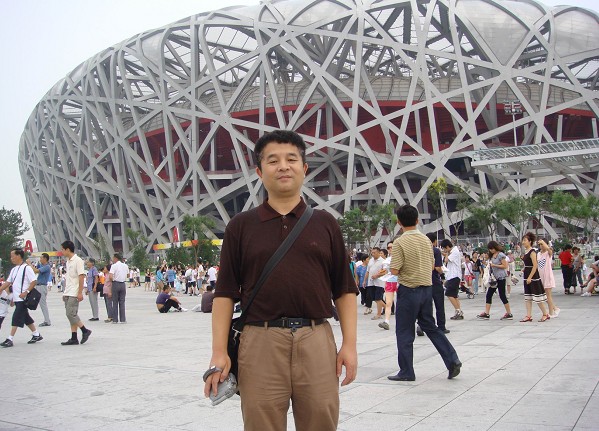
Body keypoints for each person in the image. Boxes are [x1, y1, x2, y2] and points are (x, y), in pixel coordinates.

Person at [203, 129, 358, 431]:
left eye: (291, 159)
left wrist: (349, 345)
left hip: (315, 337)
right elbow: (225, 294)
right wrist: (219, 351)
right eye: (273, 161)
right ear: (260, 172)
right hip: (260, 341)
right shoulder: (241, 226)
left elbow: (344, 289)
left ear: (305, 168)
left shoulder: (325, 223)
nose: (283, 166)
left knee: (321, 422)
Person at [387, 205, 461, 382]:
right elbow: (432, 265)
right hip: (427, 289)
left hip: (408, 290)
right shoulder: (426, 241)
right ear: (417, 220)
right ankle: (452, 360)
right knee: (431, 327)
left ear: (399, 222)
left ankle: (407, 371)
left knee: (404, 332)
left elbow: (395, 270)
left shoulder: (399, 242)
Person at [0, 248, 43, 347]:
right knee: (26, 317)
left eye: (13, 256)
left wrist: (26, 292)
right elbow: (8, 282)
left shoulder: (27, 268)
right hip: (17, 298)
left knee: (16, 317)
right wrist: (1, 289)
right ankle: (36, 334)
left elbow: (33, 281)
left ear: (19, 256)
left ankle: (10, 338)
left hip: (23, 299)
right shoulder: (14, 269)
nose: (11, 258)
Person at [416, 234, 450, 336]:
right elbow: (438, 267)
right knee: (439, 304)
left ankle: (422, 325)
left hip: (422, 280)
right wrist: (442, 274)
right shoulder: (435, 251)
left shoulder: (419, 250)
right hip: (434, 280)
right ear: (434, 241)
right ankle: (441, 326)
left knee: (425, 305)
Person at [60, 241, 92, 345]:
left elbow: (81, 276)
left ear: (68, 249)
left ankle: (85, 330)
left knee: (70, 314)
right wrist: (65, 292)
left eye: (62, 249)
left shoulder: (78, 260)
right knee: (72, 315)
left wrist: (80, 292)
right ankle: (74, 337)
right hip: (68, 291)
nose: (62, 251)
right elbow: (69, 278)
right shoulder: (68, 261)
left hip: (74, 291)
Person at [476, 241, 513, 320]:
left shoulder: (500, 255)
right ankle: (486, 313)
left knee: (502, 295)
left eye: (492, 249)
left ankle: (509, 313)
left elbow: (505, 265)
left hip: (501, 277)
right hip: (494, 278)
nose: (491, 250)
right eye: (490, 249)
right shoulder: (492, 255)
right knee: (489, 294)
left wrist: (494, 265)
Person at [520, 232, 549, 322]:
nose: (523, 242)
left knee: (537, 297)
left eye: (525, 240)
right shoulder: (526, 252)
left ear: (530, 241)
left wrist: (530, 277)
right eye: (523, 240)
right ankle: (528, 315)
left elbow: (535, 265)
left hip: (533, 276)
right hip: (527, 275)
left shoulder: (532, 252)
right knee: (528, 297)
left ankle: (545, 314)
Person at [440, 239, 464, 320]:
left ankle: (458, 311)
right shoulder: (452, 251)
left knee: (449, 294)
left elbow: (446, 260)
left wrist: (446, 253)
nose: (444, 250)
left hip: (454, 276)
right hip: (452, 276)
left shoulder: (455, 251)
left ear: (447, 247)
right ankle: (458, 311)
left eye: (444, 248)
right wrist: (442, 253)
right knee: (454, 295)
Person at [27, 253, 52, 326]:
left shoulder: (47, 267)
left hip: (42, 286)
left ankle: (47, 321)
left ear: (45, 259)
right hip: (37, 286)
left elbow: (35, 271)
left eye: (41, 258)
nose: (40, 259)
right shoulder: (41, 265)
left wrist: (29, 264)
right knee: (30, 301)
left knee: (43, 304)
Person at [537, 238, 560, 317]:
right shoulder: (538, 254)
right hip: (541, 277)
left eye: (542, 244)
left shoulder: (548, 252)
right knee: (543, 296)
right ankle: (555, 308)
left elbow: (550, 251)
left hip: (547, 276)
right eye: (540, 244)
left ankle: (551, 313)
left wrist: (544, 243)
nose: (541, 246)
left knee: (548, 295)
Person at [379, 243, 398, 330]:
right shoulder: (387, 260)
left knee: (401, 303)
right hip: (389, 282)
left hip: (399, 282)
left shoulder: (400, 258)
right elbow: (385, 271)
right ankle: (386, 321)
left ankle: (403, 321)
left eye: (392, 247)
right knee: (388, 303)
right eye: (388, 248)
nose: (390, 249)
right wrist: (381, 273)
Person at [365, 247, 385, 319]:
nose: (372, 254)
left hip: (379, 283)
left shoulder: (383, 261)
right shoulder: (370, 261)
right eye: (372, 253)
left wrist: (377, 275)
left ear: (379, 253)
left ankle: (379, 314)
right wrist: (364, 281)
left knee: (378, 299)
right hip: (371, 282)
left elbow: (385, 272)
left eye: (374, 253)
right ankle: (386, 308)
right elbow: (368, 271)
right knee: (374, 298)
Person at [109, 253, 129, 324]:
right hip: (123, 284)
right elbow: (128, 275)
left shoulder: (114, 266)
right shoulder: (125, 265)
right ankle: (123, 319)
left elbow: (110, 276)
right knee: (122, 302)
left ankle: (115, 319)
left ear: (115, 258)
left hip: (116, 283)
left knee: (115, 302)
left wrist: (113, 280)